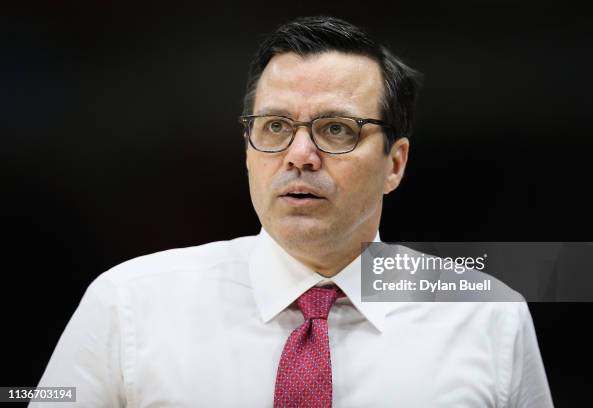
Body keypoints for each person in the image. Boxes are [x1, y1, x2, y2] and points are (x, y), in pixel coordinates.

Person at [32, 16, 553, 407]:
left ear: (395, 164)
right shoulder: (127, 305)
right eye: (275, 127)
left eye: (336, 130)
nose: (299, 155)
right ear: (247, 147)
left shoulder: (489, 318)